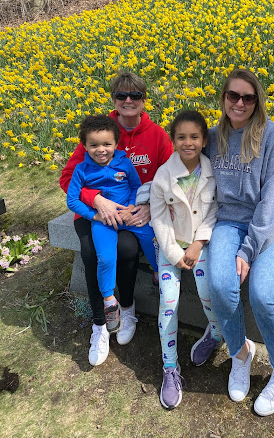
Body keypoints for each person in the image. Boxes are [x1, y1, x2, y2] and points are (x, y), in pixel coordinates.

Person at [60, 71, 172, 366]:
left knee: (129, 248)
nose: (128, 100)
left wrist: (147, 206)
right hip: (95, 213)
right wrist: (96, 201)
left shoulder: (157, 136)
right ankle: (100, 324)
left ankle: (128, 309)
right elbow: (68, 178)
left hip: (135, 210)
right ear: (114, 99)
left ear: (145, 100)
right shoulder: (99, 132)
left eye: (135, 95)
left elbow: (172, 175)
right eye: (121, 95)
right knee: (93, 252)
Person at [205, 68, 274, 417]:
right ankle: (241, 353)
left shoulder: (272, 137)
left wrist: (249, 249)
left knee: (262, 293)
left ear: (257, 100)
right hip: (228, 222)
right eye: (234, 96)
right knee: (220, 282)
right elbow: (184, 172)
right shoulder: (213, 137)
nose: (240, 103)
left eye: (248, 97)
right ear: (224, 98)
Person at [150, 110, 223, 410]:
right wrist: (174, 254)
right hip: (170, 250)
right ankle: (170, 367)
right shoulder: (163, 176)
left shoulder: (212, 172)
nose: (188, 143)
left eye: (194, 137)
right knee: (168, 305)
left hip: (200, 246)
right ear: (173, 140)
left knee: (209, 293)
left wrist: (197, 244)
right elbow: (158, 217)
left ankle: (215, 335)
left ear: (204, 140)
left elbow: (215, 211)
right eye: (181, 137)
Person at [67, 115, 158, 334]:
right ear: (85, 146)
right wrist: (94, 215)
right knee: (105, 257)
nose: (101, 150)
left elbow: (136, 186)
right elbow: (72, 200)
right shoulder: (81, 170)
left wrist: (131, 207)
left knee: (151, 238)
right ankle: (109, 300)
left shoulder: (124, 162)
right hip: (104, 221)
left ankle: (159, 272)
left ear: (116, 144)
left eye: (107, 144)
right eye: (94, 145)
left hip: (127, 215)